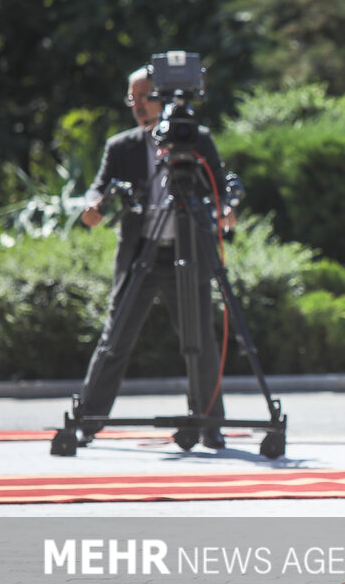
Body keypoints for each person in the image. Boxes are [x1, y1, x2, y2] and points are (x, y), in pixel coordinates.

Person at [75, 65, 232, 449]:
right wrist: (92, 205)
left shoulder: (196, 138)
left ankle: (209, 424)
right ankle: (87, 421)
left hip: (187, 252)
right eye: (134, 98)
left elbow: (221, 184)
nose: (139, 105)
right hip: (140, 254)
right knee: (115, 339)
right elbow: (97, 189)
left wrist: (227, 205)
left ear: (166, 97)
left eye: (146, 96)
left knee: (201, 342)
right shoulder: (121, 146)